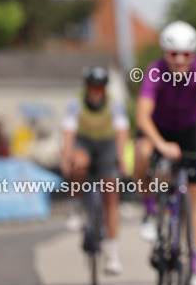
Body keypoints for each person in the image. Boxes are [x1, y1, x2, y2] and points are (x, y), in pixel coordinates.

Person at [135, 21, 196, 285]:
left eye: (186, 55)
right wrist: (161, 146)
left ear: (194, 55)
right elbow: (141, 117)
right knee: (141, 151)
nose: (180, 61)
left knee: (192, 202)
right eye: (173, 55)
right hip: (157, 128)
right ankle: (149, 209)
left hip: (187, 130)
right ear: (164, 54)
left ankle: (194, 269)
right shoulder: (155, 71)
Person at [60, 66, 130, 275]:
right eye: (93, 87)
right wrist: (66, 157)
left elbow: (121, 131)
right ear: (87, 87)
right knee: (79, 163)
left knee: (111, 190)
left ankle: (113, 253)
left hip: (106, 143)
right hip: (85, 141)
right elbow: (69, 131)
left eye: (100, 88)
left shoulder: (114, 103)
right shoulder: (76, 102)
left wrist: (121, 158)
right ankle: (75, 205)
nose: (96, 91)